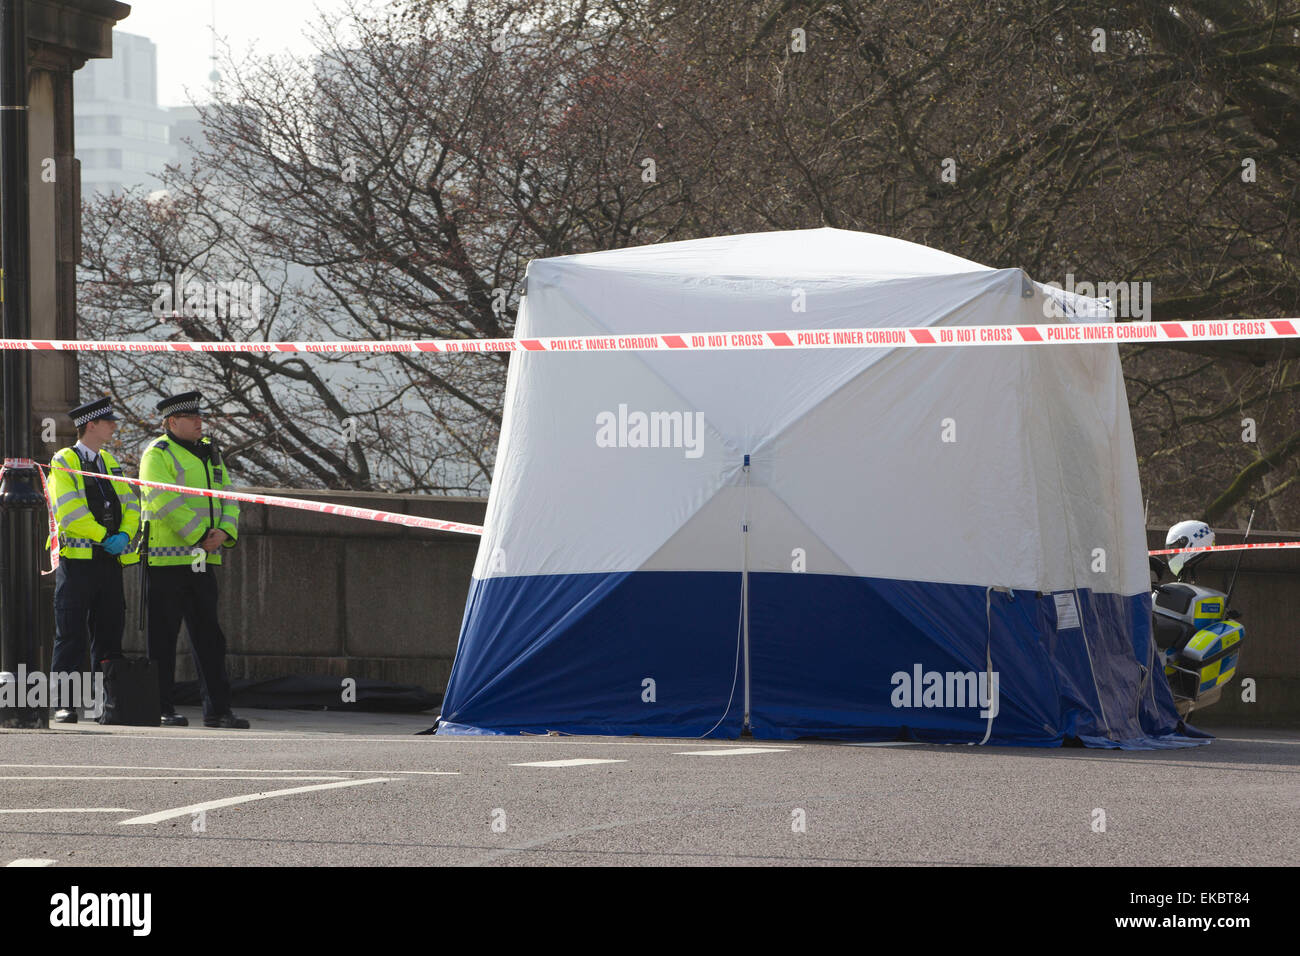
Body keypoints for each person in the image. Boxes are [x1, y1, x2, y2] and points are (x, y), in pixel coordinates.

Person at [139, 390, 247, 729]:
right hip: (166, 560)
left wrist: (225, 533)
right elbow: (163, 500)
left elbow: (228, 496)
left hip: (203, 559)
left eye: (201, 416)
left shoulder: (209, 453)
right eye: (193, 418)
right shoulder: (157, 454)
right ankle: (160, 707)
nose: (201, 422)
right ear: (173, 422)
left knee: (209, 638)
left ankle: (218, 710)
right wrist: (202, 534)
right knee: (163, 638)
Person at [47, 397, 140, 722]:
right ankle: (65, 703)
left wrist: (126, 536)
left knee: (110, 633)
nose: (114, 426)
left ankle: (108, 704)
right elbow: (70, 512)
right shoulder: (64, 460)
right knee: (71, 635)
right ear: (91, 425)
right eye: (108, 422)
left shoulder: (109, 461)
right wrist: (105, 537)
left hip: (109, 563)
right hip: (79, 563)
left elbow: (131, 503)